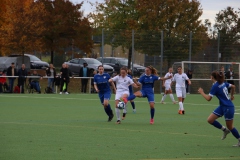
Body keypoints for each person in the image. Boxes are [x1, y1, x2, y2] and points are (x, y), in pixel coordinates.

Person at [198, 71, 240, 147]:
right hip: (222, 106)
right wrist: (232, 95)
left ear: (212, 77)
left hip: (228, 107)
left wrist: (201, 92)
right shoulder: (222, 83)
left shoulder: (215, 86)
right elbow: (233, 86)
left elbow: (208, 99)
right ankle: (225, 130)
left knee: (230, 126)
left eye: (210, 76)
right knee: (210, 120)